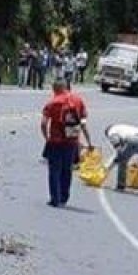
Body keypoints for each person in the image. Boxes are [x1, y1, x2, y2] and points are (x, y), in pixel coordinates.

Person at [40, 79, 93, 208]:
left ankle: (55, 199)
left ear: (55, 89)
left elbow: (43, 123)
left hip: (56, 141)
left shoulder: (52, 103)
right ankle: (64, 198)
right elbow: (83, 123)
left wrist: (47, 138)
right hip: (72, 142)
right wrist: (88, 141)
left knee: (54, 170)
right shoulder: (78, 101)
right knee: (67, 170)